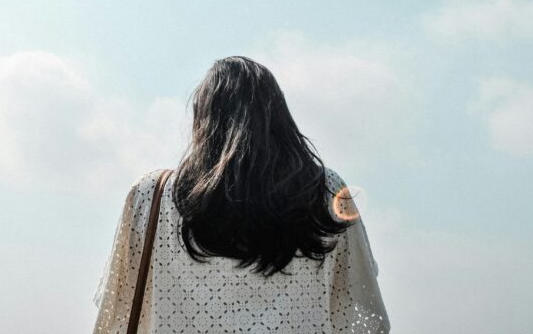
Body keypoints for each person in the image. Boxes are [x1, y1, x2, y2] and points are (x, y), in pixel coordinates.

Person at [92, 56, 390, 333]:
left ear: (203, 122)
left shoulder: (150, 196)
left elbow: (114, 315)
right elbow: (364, 315)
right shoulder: (325, 191)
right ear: (280, 120)